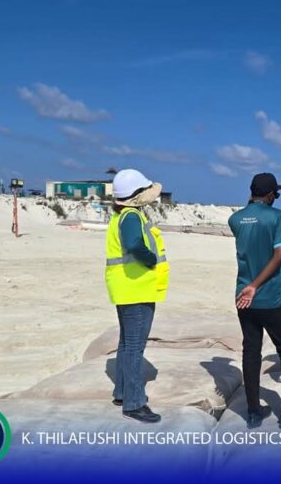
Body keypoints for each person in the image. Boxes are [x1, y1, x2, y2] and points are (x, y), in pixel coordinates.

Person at [228, 173, 281, 430]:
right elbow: (278, 256)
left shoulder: (235, 219)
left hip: (243, 298)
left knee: (251, 351)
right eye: (276, 193)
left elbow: (250, 241)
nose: (277, 197)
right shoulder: (277, 217)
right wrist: (256, 286)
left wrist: (249, 287)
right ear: (270, 195)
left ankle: (254, 412)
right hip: (269, 297)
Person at [105, 169, 169, 423]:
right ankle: (134, 403)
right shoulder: (131, 216)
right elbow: (134, 245)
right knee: (135, 347)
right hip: (136, 289)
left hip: (126, 288)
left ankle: (122, 393)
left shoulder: (123, 215)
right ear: (136, 195)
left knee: (126, 343)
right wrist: (150, 259)